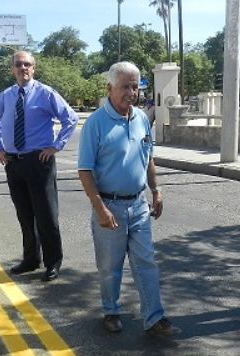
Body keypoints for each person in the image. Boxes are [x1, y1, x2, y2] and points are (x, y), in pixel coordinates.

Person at [77, 61, 180, 337]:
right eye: (125, 87)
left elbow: (148, 157)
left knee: (146, 262)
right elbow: (85, 170)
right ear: (110, 88)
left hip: (138, 205)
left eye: (135, 86)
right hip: (109, 206)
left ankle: (154, 317)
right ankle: (110, 310)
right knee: (110, 267)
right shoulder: (96, 124)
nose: (131, 92)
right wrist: (99, 208)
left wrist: (156, 190)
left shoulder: (142, 118)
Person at [0, 51, 78, 282]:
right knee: (25, 215)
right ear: (12, 69)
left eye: (27, 64)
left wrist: (56, 146)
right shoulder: (6, 96)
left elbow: (71, 119)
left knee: (46, 216)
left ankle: (53, 262)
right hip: (14, 162)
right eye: (18, 64)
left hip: (40, 161)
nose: (23, 68)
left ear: (34, 68)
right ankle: (30, 259)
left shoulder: (45, 93)